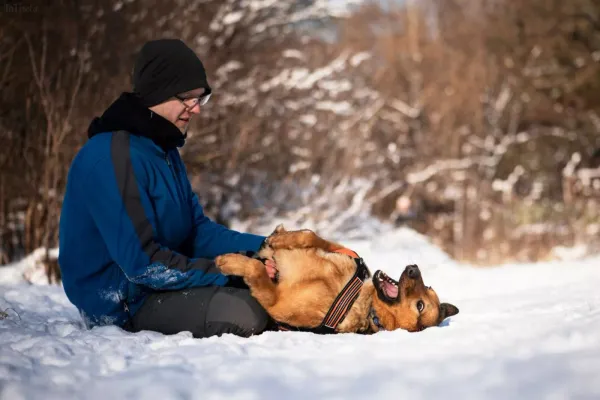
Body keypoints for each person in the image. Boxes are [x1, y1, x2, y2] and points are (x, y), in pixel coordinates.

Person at [58, 39, 277, 338]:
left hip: (160, 284)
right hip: (123, 303)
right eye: (188, 98)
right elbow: (143, 264)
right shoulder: (113, 157)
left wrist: (272, 247)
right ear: (157, 92)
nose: (196, 109)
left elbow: (197, 231)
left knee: (276, 286)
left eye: (201, 99)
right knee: (248, 310)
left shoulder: (163, 149)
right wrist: (236, 271)